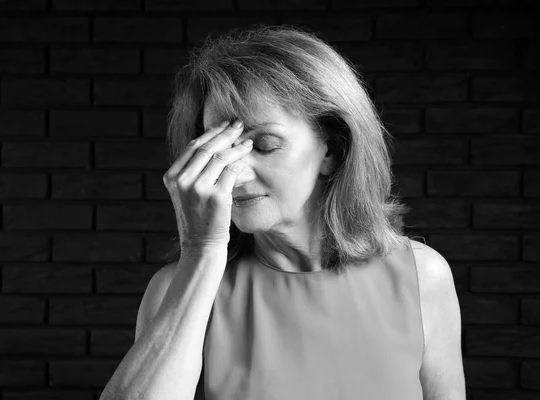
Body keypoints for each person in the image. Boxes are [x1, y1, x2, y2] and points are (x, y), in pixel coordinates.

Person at [99, 25, 466, 400]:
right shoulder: (177, 289)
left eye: (264, 145)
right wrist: (201, 250)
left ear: (332, 150)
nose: (234, 171)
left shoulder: (422, 276)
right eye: (219, 148)